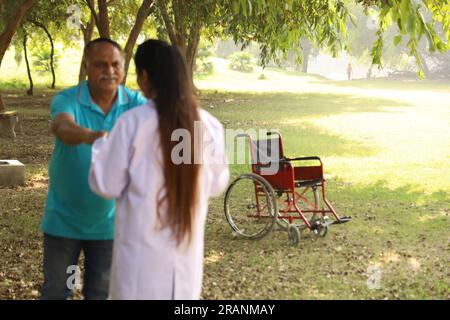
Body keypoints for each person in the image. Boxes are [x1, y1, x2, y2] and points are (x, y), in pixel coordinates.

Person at [88, 39, 229, 299]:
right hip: (183, 273)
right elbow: (218, 184)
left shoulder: (132, 125)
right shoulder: (207, 126)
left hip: (139, 273)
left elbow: (106, 184)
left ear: (144, 77)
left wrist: (100, 145)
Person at [40, 38, 147, 300]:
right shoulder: (69, 99)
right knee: (58, 291)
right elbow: (62, 126)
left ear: (124, 67)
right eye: (100, 64)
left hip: (111, 226)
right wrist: (90, 136)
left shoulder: (136, 103)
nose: (109, 71)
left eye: (115, 64)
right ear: (86, 66)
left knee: (100, 293)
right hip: (64, 223)